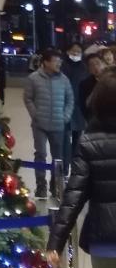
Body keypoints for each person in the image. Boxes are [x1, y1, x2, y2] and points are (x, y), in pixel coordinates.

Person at [48, 69, 116, 268]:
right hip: (106, 244)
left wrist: (55, 242)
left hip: (105, 244)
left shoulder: (88, 142)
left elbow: (73, 197)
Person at [24, 47, 74, 197]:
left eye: (60, 61)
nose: (59, 63)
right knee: (41, 154)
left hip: (58, 124)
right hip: (39, 124)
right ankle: (41, 186)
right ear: (45, 62)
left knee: (58, 157)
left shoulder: (64, 79)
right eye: (55, 61)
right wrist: (35, 115)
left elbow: (70, 100)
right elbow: (28, 98)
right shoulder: (33, 78)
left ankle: (56, 186)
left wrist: (65, 116)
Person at [62, 42, 88, 171]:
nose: (76, 54)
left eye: (78, 51)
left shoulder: (85, 68)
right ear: (68, 52)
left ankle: (75, 165)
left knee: (78, 139)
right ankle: (65, 166)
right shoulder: (62, 66)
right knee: (65, 138)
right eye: (73, 51)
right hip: (64, 106)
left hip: (79, 107)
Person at [80, 52, 105, 121]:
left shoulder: (112, 78)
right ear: (88, 68)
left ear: (103, 63)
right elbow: (84, 105)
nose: (96, 67)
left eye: (98, 63)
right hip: (95, 120)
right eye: (92, 65)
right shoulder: (84, 84)